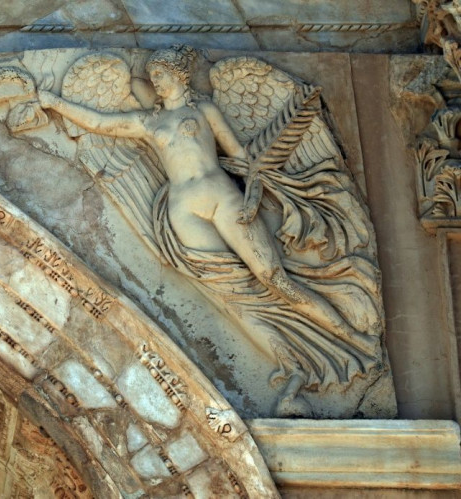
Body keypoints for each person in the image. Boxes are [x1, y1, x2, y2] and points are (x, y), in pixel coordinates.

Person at [37, 47, 376, 361]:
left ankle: (353, 337)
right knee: (237, 298)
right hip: (183, 212)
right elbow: (98, 122)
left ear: (180, 76)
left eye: (162, 74)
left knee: (274, 277)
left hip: (222, 197)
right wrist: (54, 102)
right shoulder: (149, 123)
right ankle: (291, 364)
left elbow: (243, 159)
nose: (156, 80)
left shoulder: (204, 110)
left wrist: (253, 198)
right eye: (153, 75)